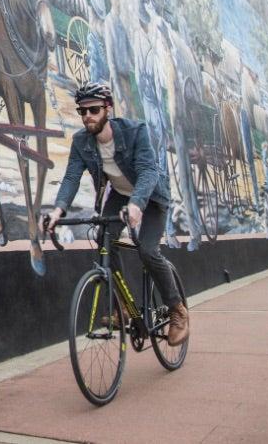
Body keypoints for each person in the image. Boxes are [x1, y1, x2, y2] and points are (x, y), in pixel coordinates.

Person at [46, 81, 189, 345]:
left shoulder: (135, 131)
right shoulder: (81, 141)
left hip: (151, 197)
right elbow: (71, 178)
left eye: (94, 110)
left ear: (108, 108)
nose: (88, 116)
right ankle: (122, 307)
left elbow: (147, 171)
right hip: (120, 195)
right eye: (82, 111)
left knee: (148, 250)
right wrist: (58, 211)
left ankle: (177, 310)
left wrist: (137, 204)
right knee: (104, 240)